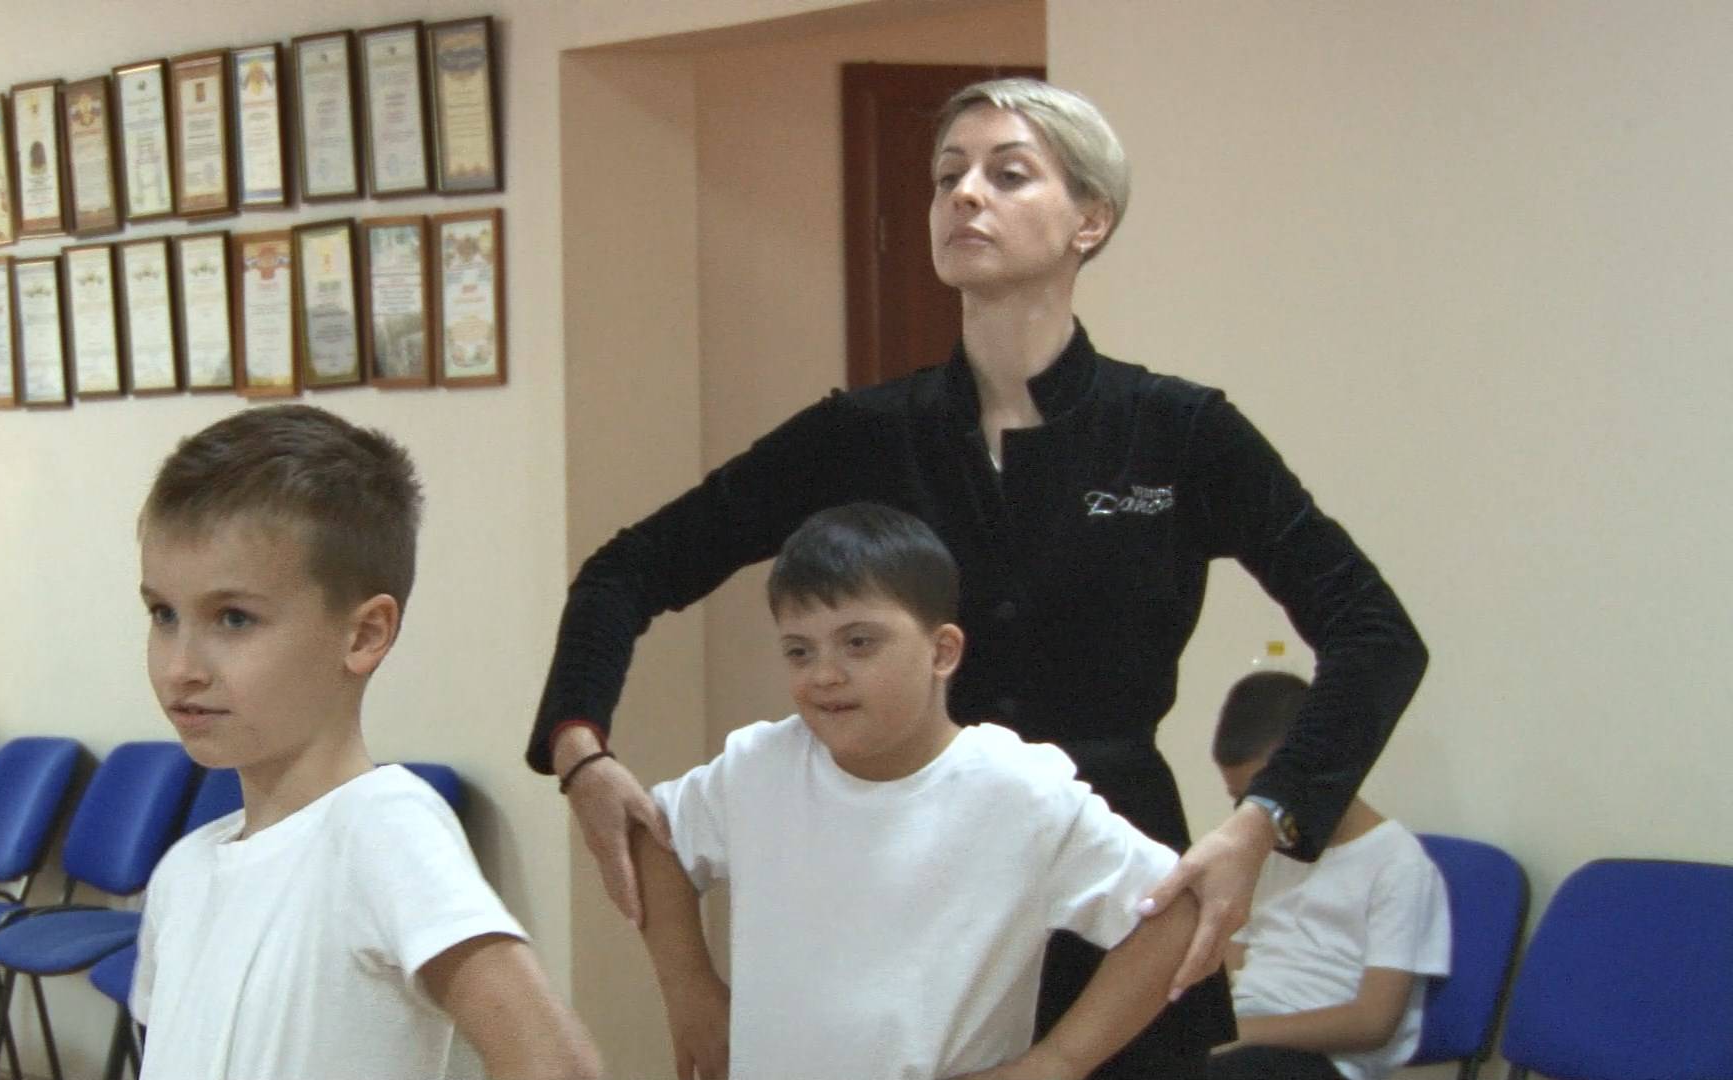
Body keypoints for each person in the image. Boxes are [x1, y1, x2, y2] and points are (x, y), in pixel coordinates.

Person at [529, 76, 1428, 1077]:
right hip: (910, 893)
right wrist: (580, 748)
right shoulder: (861, 434)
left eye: (1008, 174)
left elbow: (1376, 634)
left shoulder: (1179, 433)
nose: (964, 194)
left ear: (1091, 219)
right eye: (947, 175)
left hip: (1115, 889)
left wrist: (1266, 820)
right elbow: (625, 569)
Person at [635, 503, 1198, 1080]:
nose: (824, 674)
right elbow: (655, 837)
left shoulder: (1018, 790)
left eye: (859, 643)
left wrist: (1058, 1062)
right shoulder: (757, 767)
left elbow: (1173, 914)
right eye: (799, 651)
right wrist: (690, 989)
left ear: (942, 651)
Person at [133, 405, 601, 1080]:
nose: (182, 666)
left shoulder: (381, 829)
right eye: (163, 614)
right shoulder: (182, 875)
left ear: (364, 634)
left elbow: (555, 1064)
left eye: (233, 618)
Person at [1208, 672, 1450, 1080]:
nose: (1256, 813)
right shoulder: (1268, 848)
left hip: (1327, 1059)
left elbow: (1373, 1023)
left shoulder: (1399, 864)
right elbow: (1232, 964)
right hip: (1249, 1035)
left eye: (1267, 796)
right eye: (1242, 801)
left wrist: (1241, 1033)